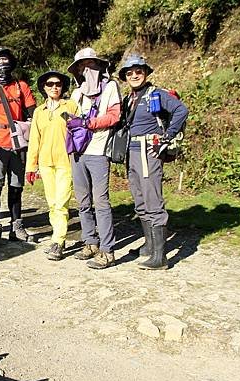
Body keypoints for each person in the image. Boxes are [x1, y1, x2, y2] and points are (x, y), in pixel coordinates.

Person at [117, 54, 188, 269]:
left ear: (145, 73)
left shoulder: (155, 94)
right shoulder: (129, 99)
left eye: (138, 71)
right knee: (139, 202)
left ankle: (160, 257)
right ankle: (149, 247)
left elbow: (181, 110)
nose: (134, 75)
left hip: (148, 152)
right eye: (130, 73)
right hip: (132, 152)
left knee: (153, 201)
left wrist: (167, 138)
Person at [66, 48, 122, 269]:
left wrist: (89, 123)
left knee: (101, 201)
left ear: (100, 66)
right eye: (82, 65)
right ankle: (90, 242)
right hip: (78, 152)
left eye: (91, 64)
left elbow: (114, 116)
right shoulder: (76, 93)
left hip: (99, 152)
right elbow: (67, 118)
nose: (86, 69)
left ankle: (108, 250)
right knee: (83, 201)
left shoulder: (110, 88)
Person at [0, 47, 36, 242]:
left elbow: (33, 112)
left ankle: (16, 226)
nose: (1, 64)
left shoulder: (22, 86)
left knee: (16, 186)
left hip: (19, 143)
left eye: (4, 60)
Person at [25, 71, 76, 261]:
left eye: (58, 84)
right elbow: (34, 141)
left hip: (66, 162)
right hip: (46, 164)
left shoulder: (71, 106)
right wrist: (31, 167)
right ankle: (57, 237)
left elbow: (80, 132)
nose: (54, 87)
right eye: (50, 84)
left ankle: (58, 241)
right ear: (44, 88)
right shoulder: (39, 111)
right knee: (52, 203)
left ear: (63, 87)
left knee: (61, 203)